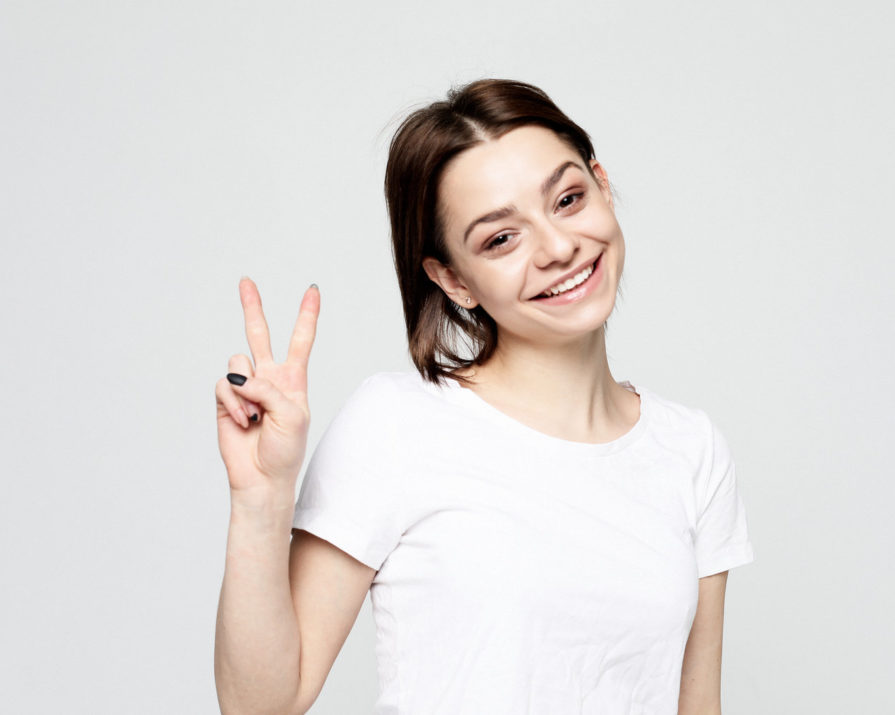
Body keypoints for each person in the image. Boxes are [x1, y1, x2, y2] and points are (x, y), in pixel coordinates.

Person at [213, 78, 754, 714]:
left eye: (569, 199)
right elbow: (260, 706)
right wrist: (260, 499)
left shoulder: (690, 450)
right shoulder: (396, 422)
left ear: (603, 186)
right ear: (452, 279)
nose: (558, 248)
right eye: (501, 238)